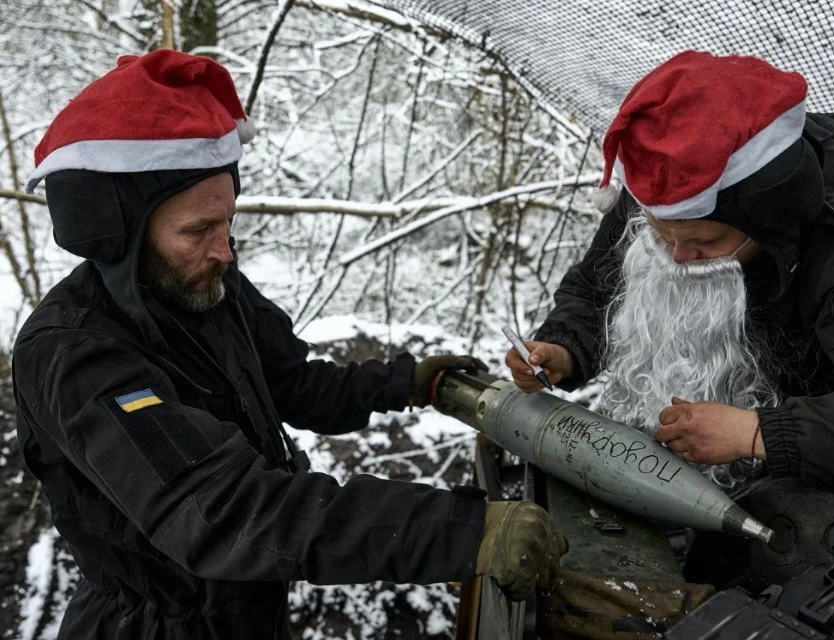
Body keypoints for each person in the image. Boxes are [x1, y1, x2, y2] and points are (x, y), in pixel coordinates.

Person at [14, 50, 566, 639]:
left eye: (228, 221)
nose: (225, 249)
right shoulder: (75, 357)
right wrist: (465, 532)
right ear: (119, 234)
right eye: (199, 230)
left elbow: (294, 385)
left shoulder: (202, 282)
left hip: (247, 612)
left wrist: (408, 382)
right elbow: (222, 512)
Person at [506, 50, 834, 489]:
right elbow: (596, 289)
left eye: (704, 243)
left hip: (820, 482)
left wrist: (759, 434)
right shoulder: (666, 191)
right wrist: (565, 348)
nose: (677, 257)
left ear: (770, 219)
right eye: (660, 235)